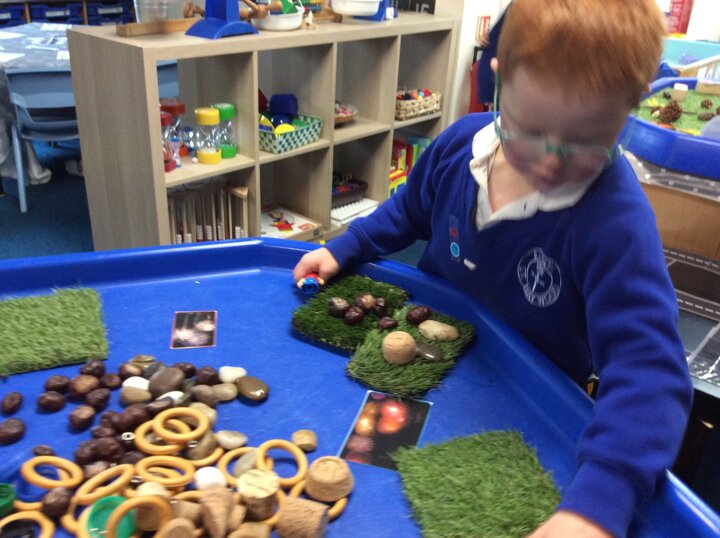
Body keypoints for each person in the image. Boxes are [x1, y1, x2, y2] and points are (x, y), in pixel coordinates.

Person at [293, 0, 694, 536]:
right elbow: (409, 208)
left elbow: (650, 373)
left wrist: (596, 508)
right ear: (498, 77)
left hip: (526, 408)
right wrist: (351, 245)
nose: (551, 162)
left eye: (586, 144)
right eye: (531, 130)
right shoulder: (461, 143)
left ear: (632, 107)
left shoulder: (615, 222)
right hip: (422, 370)